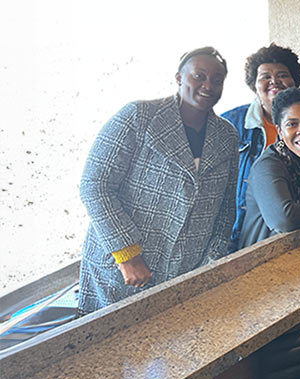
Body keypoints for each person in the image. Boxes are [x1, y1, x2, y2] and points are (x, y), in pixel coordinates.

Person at [78, 47, 238, 314]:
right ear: (179, 78)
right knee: (108, 348)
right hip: (122, 269)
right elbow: (95, 186)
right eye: (199, 76)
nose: (208, 85)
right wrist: (127, 255)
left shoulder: (227, 135)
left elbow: (225, 209)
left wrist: (210, 263)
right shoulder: (139, 116)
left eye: (217, 79)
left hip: (185, 275)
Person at [222, 44, 300, 252]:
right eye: (265, 76)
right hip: (236, 232)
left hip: (291, 229)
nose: (274, 81)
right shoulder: (231, 123)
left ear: (295, 81)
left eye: (283, 75)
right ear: (254, 85)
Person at [237, 88, 300, 248]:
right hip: (265, 260)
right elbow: (285, 219)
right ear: (279, 131)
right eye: (292, 124)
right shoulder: (268, 166)